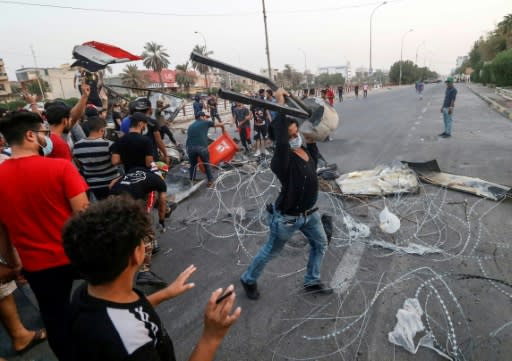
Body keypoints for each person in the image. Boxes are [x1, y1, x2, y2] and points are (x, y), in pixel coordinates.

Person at [62, 196, 241, 361]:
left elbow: (127, 311)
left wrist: (166, 293)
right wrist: (212, 336)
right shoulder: (133, 344)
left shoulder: (88, 291)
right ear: (135, 255)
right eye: (143, 240)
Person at [0, 111, 89, 360]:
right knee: (101, 301)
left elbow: (2, 231)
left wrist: (13, 264)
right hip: (76, 255)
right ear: (30, 135)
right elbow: (84, 216)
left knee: (55, 319)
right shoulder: (60, 168)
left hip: (37, 266)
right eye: (43, 133)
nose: (46, 138)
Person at [240, 89, 333, 300]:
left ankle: (312, 280)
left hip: (310, 214)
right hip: (288, 218)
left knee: (320, 244)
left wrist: (306, 115)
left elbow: (314, 130)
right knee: (271, 251)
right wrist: (279, 103)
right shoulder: (281, 160)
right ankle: (248, 279)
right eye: (291, 134)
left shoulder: (306, 150)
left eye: (296, 132)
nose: (295, 136)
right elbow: (282, 141)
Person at [110, 163, 174, 287]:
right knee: (147, 234)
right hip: (130, 203)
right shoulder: (159, 182)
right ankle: (145, 271)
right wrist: (161, 222)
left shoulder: (135, 168)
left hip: (111, 199)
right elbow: (162, 203)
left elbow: (113, 182)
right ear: (163, 173)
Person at [73, 116, 121, 200]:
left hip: (92, 185)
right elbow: (116, 161)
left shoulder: (77, 146)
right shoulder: (109, 144)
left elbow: (79, 164)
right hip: (111, 184)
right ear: (102, 130)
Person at [120, 98, 169, 164]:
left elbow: (123, 138)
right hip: (151, 157)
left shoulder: (129, 120)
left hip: (134, 157)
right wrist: (165, 155)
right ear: (150, 109)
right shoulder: (153, 122)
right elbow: (158, 141)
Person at [186, 111, 225, 187]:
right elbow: (219, 124)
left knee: (193, 165)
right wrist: (225, 124)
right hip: (201, 147)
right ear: (201, 117)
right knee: (207, 164)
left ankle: (192, 180)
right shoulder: (205, 122)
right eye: (205, 117)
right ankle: (210, 182)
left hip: (190, 148)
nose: (206, 118)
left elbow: (198, 135)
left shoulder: (190, 126)